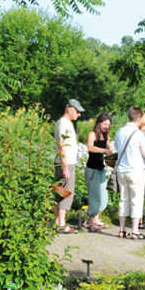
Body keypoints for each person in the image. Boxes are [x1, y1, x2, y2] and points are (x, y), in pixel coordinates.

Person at [115, 106, 145, 239]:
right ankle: (135, 231)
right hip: (136, 170)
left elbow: (117, 148)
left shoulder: (119, 131)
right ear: (139, 119)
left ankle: (122, 230)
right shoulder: (140, 134)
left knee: (123, 199)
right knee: (136, 199)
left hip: (121, 170)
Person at [54, 99, 84, 234]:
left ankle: (56, 222)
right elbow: (61, 146)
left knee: (60, 192)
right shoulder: (64, 124)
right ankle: (62, 223)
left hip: (64, 162)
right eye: (77, 111)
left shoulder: (65, 123)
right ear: (70, 109)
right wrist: (65, 167)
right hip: (65, 163)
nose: (79, 114)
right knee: (65, 194)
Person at [85, 112, 113, 233]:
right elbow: (90, 148)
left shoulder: (107, 135)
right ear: (99, 123)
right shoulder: (92, 134)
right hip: (92, 169)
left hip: (101, 169)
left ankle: (96, 219)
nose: (107, 126)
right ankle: (92, 224)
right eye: (105, 124)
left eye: (108, 124)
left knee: (103, 197)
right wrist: (104, 150)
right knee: (94, 196)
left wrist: (109, 151)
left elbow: (108, 149)